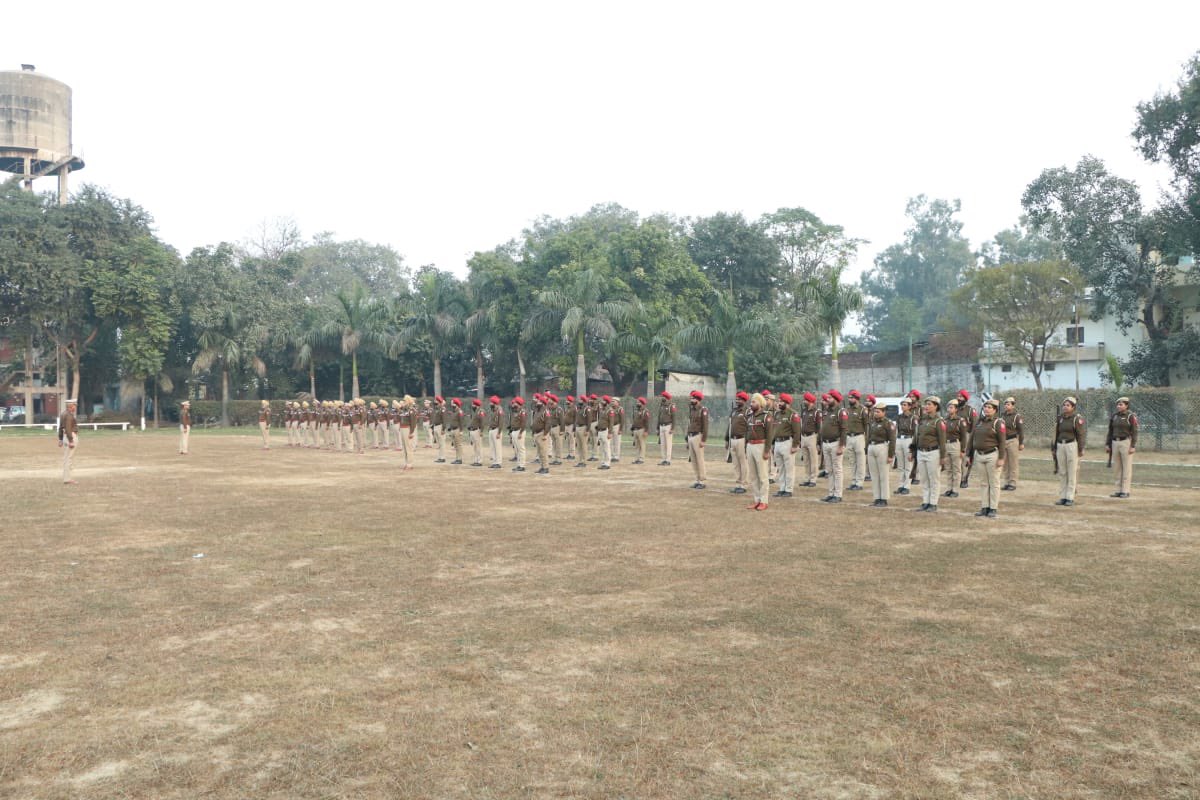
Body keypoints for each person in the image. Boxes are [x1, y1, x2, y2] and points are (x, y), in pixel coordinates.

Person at [967, 398, 1006, 518]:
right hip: (979, 455)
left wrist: (1001, 458)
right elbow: (972, 439)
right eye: (985, 407)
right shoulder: (979, 422)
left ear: (995, 410)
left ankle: (993, 508)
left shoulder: (998, 422)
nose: (986, 409)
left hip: (992, 455)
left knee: (994, 483)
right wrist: (969, 454)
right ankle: (985, 507)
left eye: (990, 407)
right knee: (983, 483)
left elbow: (1002, 441)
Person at [909, 396, 947, 511]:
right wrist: (912, 451)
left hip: (933, 452)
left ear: (936, 406)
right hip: (921, 452)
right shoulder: (922, 420)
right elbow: (916, 437)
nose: (927, 406)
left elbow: (942, 440)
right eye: (926, 404)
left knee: (934, 479)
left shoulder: (938, 421)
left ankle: (933, 503)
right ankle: (925, 501)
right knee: (924, 478)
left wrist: (943, 456)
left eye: (930, 404)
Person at [1053, 396, 1086, 506]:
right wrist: (1054, 447)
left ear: (1073, 407)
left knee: (1072, 471)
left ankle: (1070, 497)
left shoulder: (1076, 418)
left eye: (1068, 405)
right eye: (1064, 405)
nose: (1065, 407)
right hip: (1060, 445)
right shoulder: (1060, 418)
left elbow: (1080, 434)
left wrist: (1081, 448)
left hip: (1071, 445)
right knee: (1063, 472)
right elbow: (1057, 433)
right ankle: (1062, 496)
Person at [744, 392, 773, 510]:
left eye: (754, 401)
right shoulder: (750, 416)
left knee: (762, 475)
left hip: (761, 446)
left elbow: (770, 435)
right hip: (750, 446)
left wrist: (767, 451)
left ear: (760, 403)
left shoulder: (766, 416)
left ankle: (764, 501)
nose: (751, 404)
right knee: (753, 476)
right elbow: (747, 432)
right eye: (751, 401)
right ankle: (756, 500)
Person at [1106, 396, 1138, 498]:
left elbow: (1135, 431)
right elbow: (1110, 431)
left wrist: (1133, 445)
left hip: (1125, 442)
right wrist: (1108, 444)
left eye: (1121, 404)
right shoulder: (1114, 416)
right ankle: (1118, 490)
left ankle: (1125, 490)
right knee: (1117, 467)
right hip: (1115, 442)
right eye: (1118, 404)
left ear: (1126, 405)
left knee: (1126, 467)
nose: (1118, 406)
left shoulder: (1130, 416)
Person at [819, 391, 848, 503]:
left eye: (830, 398)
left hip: (836, 443)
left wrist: (841, 445)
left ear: (835, 399)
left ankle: (838, 494)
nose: (827, 399)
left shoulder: (841, 412)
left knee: (837, 469)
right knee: (829, 470)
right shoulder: (826, 411)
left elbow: (844, 430)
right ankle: (831, 493)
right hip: (826, 443)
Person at [866, 401, 896, 506]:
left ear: (884, 412)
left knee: (883, 475)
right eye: (875, 411)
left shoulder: (888, 423)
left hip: (882, 447)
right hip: (871, 447)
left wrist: (890, 455)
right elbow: (868, 436)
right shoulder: (872, 422)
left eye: (878, 411)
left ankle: (884, 498)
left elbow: (892, 440)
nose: (876, 413)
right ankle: (877, 497)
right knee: (874, 475)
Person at [771, 393, 800, 498]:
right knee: (780, 468)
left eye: (781, 401)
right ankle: (782, 488)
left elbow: (797, 432)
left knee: (789, 468)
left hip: (787, 442)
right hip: (778, 443)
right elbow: (774, 430)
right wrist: (773, 444)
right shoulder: (777, 414)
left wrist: (795, 445)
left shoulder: (793, 414)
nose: (779, 403)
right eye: (779, 401)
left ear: (787, 403)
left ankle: (788, 489)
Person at [844, 390, 869, 490]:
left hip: (859, 437)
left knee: (860, 461)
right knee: (852, 461)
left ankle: (859, 482)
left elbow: (866, 426)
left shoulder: (863, 410)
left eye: (852, 398)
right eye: (849, 397)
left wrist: (866, 440)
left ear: (857, 399)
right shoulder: (847, 410)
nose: (850, 399)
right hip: (849, 437)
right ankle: (854, 481)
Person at [942, 399, 968, 499]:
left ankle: (955, 490)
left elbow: (964, 436)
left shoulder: (960, 421)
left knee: (956, 469)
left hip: (956, 444)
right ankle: (949, 489)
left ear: (956, 409)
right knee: (948, 468)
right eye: (948, 407)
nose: (949, 409)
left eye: (952, 407)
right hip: (946, 444)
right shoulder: (945, 420)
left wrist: (963, 450)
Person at [726, 391, 750, 494]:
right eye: (736, 399)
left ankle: (744, 485)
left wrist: (747, 442)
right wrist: (727, 439)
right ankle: (738, 484)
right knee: (735, 463)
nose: (737, 401)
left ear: (744, 401)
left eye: (739, 399)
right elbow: (729, 426)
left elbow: (749, 428)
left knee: (743, 463)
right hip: (733, 439)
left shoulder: (748, 412)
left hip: (742, 439)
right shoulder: (734, 411)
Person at [956, 389, 979, 489]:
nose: (959, 398)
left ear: (965, 398)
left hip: (967, 435)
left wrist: (972, 438)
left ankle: (964, 479)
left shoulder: (970, 410)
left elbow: (974, 425)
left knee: (965, 458)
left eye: (961, 397)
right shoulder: (954, 409)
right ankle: (956, 479)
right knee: (956, 458)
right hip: (955, 436)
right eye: (958, 396)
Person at [893, 397, 917, 496]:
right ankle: (901, 485)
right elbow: (897, 430)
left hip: (908, 439)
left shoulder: (913, 417)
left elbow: (916, 432)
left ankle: (907, 486)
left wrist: (913, 447)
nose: (903, 406)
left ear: (910, 406)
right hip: (899, 439)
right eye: (902, 404)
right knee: (901, 465)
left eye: (905, 405)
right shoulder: (898, 417)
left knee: (908, 465)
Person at [1000, 397, 1024, 491]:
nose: (1006, 406)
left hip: (1012, 440)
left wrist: (1021, 443)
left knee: (1013, 463)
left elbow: (1021, 431)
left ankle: (1012, 483)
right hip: (1003, 441)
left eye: (1009, 404)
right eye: (1005, 404)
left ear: (1013, 406)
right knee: (1005, 463)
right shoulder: (1002, 416)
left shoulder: (1017, 416)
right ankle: (1006, 482)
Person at [686, 390, 709, 488]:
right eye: (691, 398)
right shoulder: (692, 409)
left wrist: (703, 440)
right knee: (694, 460)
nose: (691, 400)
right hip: (691, 436)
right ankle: (697, 479)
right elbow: (690, 424)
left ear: (698, 400)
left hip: (698, 436)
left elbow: (705, 426)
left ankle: (702, 481)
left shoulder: (703, 410)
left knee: (699, 459)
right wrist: (687, 439)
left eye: (693, 398)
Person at [797, 392, 820, 488]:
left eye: (805, 400)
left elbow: (819, 427)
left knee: (813, 459)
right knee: (806, 459)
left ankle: (813, 479)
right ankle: (807, 478)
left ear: (810, 401)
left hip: (812, 436)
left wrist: (818, 441)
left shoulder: (816, 412)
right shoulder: (804, 411)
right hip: (803, 437)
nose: (804, 401)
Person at [58, 398, 79, 484]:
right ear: (71, 406)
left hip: (65, 437)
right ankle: (68, 479)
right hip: (70, 436)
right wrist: (71, 440)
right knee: (69, 459)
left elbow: (60, 427)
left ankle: (66, 478)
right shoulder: (69, 415)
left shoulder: (63, 414)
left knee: (66, 458)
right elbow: (68, 428)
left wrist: (60, 439)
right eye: (74, 405)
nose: (75, 407)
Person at [531, 394, 552, 474]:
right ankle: (542, 466)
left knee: (543, 451)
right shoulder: (537, 411)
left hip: (542, 433)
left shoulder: (545, 412)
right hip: (537, 433)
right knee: (540, 452)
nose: (537, 403)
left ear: (543, 403)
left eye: (539, 401)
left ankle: (546, 467)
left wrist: (545, 434)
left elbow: (548, 424)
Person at [595, 395, 615, 469]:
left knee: (606, 447)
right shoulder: (602, 410)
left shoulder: (610, 411)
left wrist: (610, 433)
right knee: (602, 448)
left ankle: (607, 463)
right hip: (600, 431)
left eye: (603, 401)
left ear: (606, 402)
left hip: (605, 431)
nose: (601, 402)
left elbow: (611, 423)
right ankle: (603, 461)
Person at [630, 396, 651, 464]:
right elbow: (634, 421)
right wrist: (632, 429)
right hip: (636, 430)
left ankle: (641, 459)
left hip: (642, 429)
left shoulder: (645, 411)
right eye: (637, 402)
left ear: (642, 403)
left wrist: (646, 431)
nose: (637, 403)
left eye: (638, 402)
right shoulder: (636, 411)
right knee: (637, 445)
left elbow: (647, 422)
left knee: (642, 445)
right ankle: (637, 458)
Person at [657, 391, 676, 465]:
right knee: (663, 444)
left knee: (668, 444)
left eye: (663, 396)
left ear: (666, 398)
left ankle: (668, 460)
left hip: (668, 426)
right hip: (661, 426)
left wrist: (673, 428)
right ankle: (663, 459)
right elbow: (659, 417)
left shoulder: (671, 406)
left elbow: (674, 418)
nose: (662, 398)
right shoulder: (661, 406)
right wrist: (657, 427)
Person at [510, 396, 528, 471]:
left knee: (521, 449)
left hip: (519, 431)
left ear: (519, 404)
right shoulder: (516, 411)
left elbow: (523, 423)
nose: (513, 404)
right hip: (514, 431)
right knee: (517, 449)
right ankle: (518, 464)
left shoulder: (522, 412)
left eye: (515, 403)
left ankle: (522, 465)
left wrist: (520, 433)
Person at [446, 397, 465, 464]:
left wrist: (461, 431)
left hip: (457, 430)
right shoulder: (454, 411)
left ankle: (459, 459)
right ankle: (457, 458)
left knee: (458, 445)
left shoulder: (460, 411)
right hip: (453, 430)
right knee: (455, 445)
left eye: (452, 403)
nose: (451, 404)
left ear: (456, 404)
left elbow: (461, 422)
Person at [487, 395, 505, 469]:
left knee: (497, 447)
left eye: (491, 402)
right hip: (492, 430)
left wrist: (499, 432)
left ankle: (498, 462)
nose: (490, 403)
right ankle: (494, 461)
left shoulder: (499, 410)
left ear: (494, 403)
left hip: (496, 430)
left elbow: (501, 422)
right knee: (493, 447)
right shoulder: (493, 410)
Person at [574, 396, 590, 469]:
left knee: (583, 445)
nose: (579, 400)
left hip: (583, 427)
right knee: (579, 445)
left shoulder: (587, 408)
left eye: (580, 399)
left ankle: (584, 461)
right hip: (578, 427)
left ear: (583, 400)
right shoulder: (578, 408)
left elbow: (589, 420)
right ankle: (580, 460)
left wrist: (587, 430)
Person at [468, 398, 485, 466]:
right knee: (475, 447)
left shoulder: (480, 412)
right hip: (472, 430)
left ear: (476, 405)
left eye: (473, 404)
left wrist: (481, 431)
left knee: (478, 447)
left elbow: (482, 422)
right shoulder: (474, 412)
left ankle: (479, 461)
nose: (472, 405)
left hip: (477, 431)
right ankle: (476, 460)